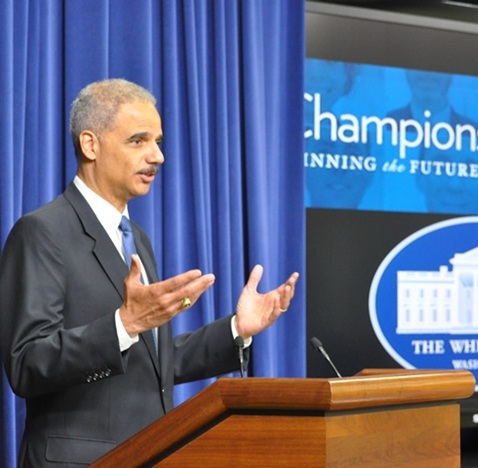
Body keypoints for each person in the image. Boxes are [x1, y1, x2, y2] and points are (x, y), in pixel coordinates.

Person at [0, 78, 299, 467]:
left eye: (158, 141)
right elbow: (27, 363)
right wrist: (123, 324)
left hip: (149, 455)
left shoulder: (135, 237)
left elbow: (152, 361)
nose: (157, 156)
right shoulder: (43, 231)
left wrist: (236, 331)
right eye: (138, 141)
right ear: (91, 145)